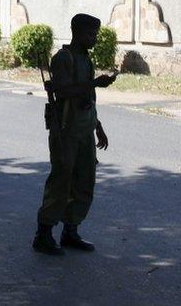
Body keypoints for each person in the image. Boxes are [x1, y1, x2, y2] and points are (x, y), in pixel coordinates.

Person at [33, 13, 117, 255]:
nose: (94, 39)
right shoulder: (63, 58)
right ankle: (44, 233)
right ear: (76, 32)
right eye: (91, 34)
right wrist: (94, 84)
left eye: (96, 34)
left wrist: (98, 126)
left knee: (85, 181)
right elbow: (62, 91)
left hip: (85, 128)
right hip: (65, 129)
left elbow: (87, 98)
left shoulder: (85, 59)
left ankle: (71, 231)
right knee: (62, 180)